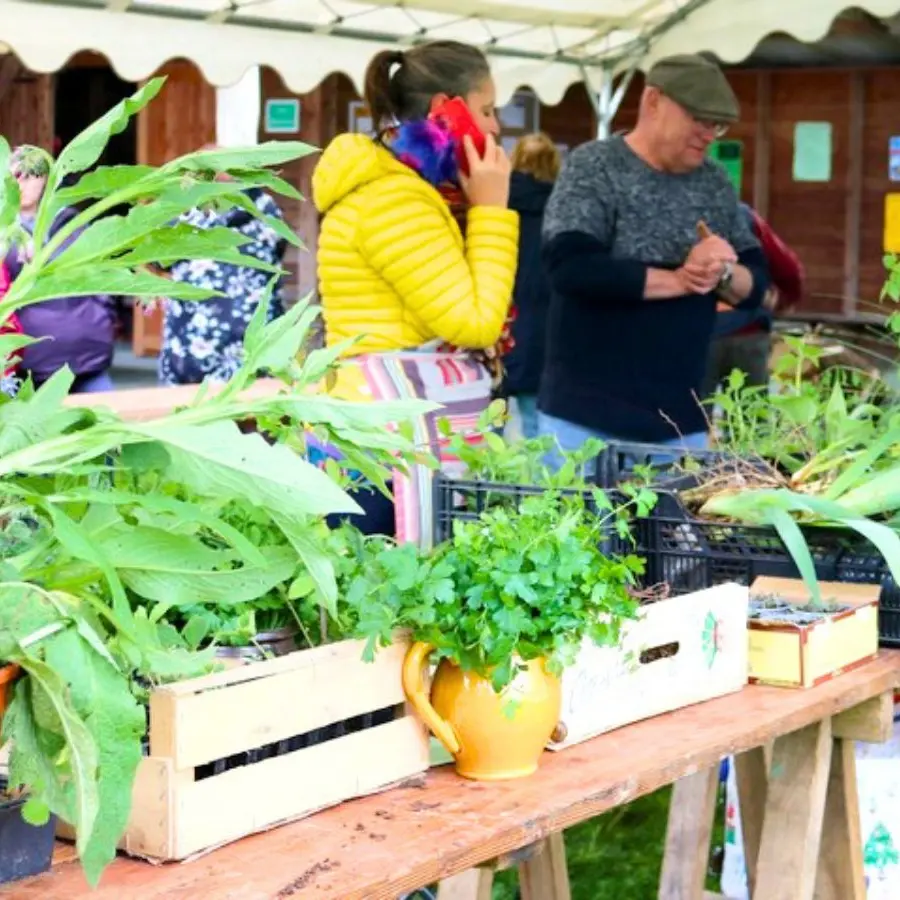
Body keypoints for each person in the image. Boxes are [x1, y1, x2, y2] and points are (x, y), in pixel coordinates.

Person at [313, 40, 519, 544]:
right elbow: (476, 323)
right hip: (381, 449)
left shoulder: (402, 190)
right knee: (383, 590)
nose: (495, 127)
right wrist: (492, 210)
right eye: (487, 110)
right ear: (445, 109)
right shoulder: (394, 200)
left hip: (374, 436)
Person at [538, 54, 770, 463]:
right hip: (582, 420)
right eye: (698, 119)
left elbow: (755, 285)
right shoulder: (594, 166)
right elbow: (571, 269)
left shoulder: (714, 181)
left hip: (679, 426)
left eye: (717, 125)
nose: (708, 135)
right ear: (653, 101)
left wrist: (721, 271)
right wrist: (681, 280)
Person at [158, 153, 288, 386]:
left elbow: (158, 260)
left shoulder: (183, 214)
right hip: (256, 353)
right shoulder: (266, 209)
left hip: (191, 356)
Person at [5, 145, 117, 393]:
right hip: (31, 361)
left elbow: (100, 275)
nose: (21, 184)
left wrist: (102, 317)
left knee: (109, 413)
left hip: (88, 355)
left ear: (45, 179)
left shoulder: (72, 222)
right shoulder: (5, 232)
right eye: (14, 177)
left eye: (30, 176)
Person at [700, 203, 804, 398]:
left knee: (691, 412)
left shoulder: (671, 212)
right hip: (748, 331)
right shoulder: (742, 214)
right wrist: (785, 299)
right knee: (752, 410)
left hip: (696, 335)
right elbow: (787, 267)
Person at [501, 133, 561, 440]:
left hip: (499, 314)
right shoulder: (561, 208)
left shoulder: (497, 200)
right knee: (535, 420)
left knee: (488, 419)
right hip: (544, 320)